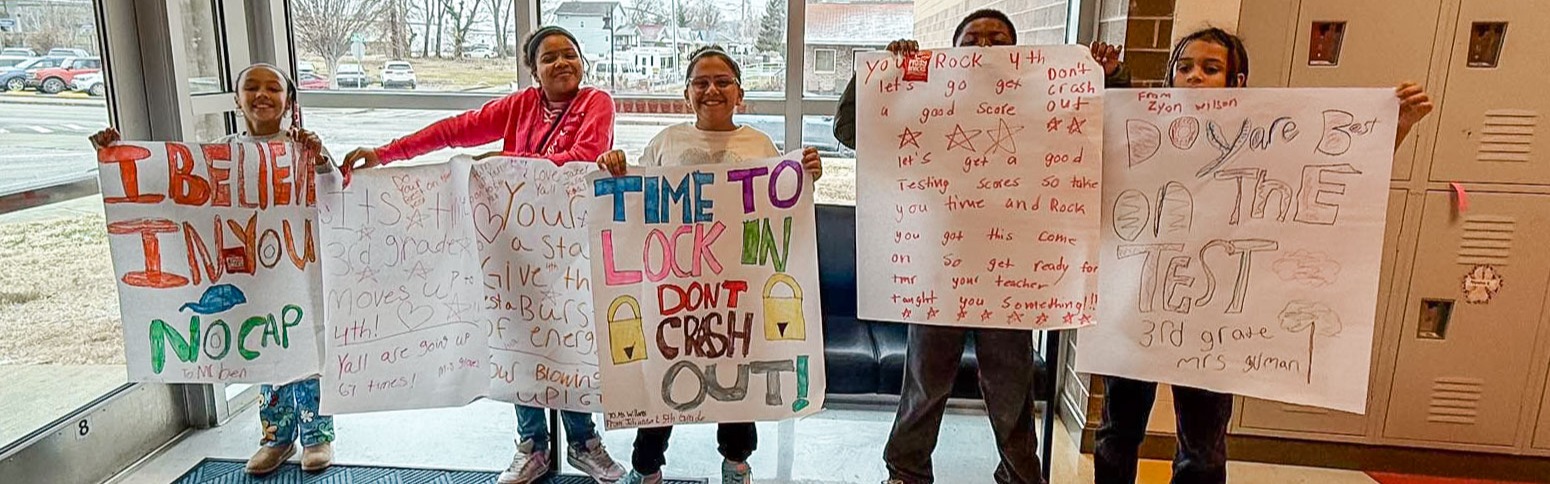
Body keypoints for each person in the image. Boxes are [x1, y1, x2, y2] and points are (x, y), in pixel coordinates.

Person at [1091, 27, 1434, 484]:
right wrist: (1110, 79)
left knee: (1203, 449)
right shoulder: (1144, 131)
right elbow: (1092, 150)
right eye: (1185, 67)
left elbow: (1343, 168)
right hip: (1136, 309)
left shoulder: (1266, 138)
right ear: (1170, 75)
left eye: (1211, 69)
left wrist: (1396, 126)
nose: (1195, 77)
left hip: (1213, 323)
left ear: (1237, 82)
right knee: (1118, 430)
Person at [828, 9, 1127, 484]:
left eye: (998, 40)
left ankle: (1020, 475)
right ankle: (905, 472)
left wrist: (1110, 78)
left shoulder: (1044, 98)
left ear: (1017, 51)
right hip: (938, 270)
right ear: (953, 50)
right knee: (925, 385)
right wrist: (883, 76)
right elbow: (848, 130)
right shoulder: (924, 96)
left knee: (1011, 390)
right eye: (972, 40)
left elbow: (1105, 129)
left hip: (1012, 276)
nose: (985, 48)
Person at [341, 26, 626, 484]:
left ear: (582, 62)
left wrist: (501, 161)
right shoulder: (519, 107)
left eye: (569, 54)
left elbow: (582, 156)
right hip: (511, 245)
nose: (561, 63)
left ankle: (583, 442)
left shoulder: (596, 103)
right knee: (517, 339)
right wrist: (386, 154)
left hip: (568, 248)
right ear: (533, 71)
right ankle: (532, 444)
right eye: (548, 58)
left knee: (569, 336)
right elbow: (455, 131)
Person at [90, 63, 339, 476]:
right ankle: (276, 437)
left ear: (289, 100)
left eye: (273, 88)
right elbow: (173, 188)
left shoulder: (303, 149)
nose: (262, 95)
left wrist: (319, 156)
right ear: (237, 100)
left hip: (296, 273)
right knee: (267, 353)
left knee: (306, 352)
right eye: (251, 88)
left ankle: (317, 435)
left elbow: (333, 191)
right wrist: (119, 157)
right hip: (248, 278)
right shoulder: (223, 152)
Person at [595, 45, 823, 484]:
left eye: (723, 82)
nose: (712, 90)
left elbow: (782, 209)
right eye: (701, 82)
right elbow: (636, 203)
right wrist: (614, 166)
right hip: (672, 290)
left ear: (741, 94)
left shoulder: (758, 143)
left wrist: (805, 172)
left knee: (736, 370)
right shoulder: (666, 142)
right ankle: (646, 466)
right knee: (662, 373)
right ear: (686, 94)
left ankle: (736, 463)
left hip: (738, 290)